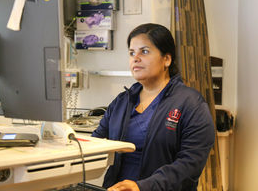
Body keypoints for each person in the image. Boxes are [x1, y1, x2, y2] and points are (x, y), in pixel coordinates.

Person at [92, 23, 215, 191]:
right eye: (131, 53)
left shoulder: (190, 103)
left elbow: (190, 164)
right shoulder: (121, 102)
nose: (136, 58)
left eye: (144, 51)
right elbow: (95, 144)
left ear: (166, 59)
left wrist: (142, 187)